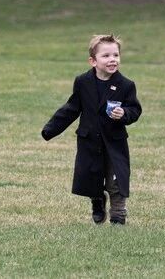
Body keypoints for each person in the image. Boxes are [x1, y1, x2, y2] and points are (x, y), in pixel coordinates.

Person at [41, 34, 142, 225]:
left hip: (114, 142)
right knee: (91, 176)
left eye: (116, 55)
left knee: (116, 180)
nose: (112, 59)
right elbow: (71, 108)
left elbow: (135, 109)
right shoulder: (82, 82)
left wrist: (125, 114)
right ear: (93, 61)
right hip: (89, 140)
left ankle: (118, 215)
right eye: (106, 56)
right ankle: (97, 201)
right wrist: (50, 129)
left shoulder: (126, 85)